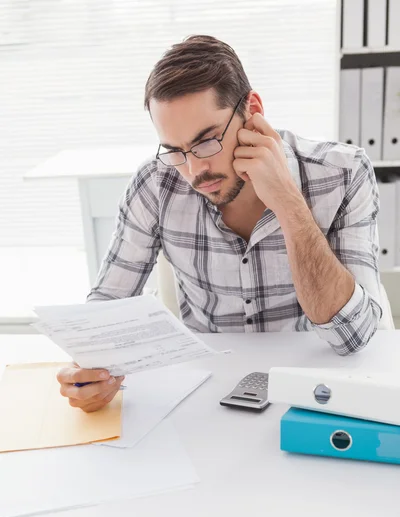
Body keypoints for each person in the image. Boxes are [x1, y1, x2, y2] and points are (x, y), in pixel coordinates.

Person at [57, 34, 383, 412]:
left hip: (314, 390)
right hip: (207, 399)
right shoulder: (155, 183)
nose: (195, 170)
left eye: (208, 141)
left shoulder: (343, 173)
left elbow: (353, 336)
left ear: (253, 109)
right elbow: (106, 308)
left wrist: (288, 204)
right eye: (176, 151)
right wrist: (89, 372)